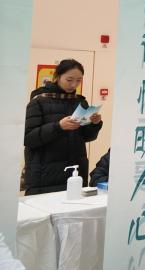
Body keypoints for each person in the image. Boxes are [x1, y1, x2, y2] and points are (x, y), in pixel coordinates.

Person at [24, 59, 103, 195]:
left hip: (75, 171)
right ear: (57, 76)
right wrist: (58, 126)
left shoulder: (80, 102)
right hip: (44, 174)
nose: (74, 84)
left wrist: (94, 124)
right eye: (69, 80)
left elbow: (86, 137)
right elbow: (28, 138)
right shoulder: (39, 101)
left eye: (78, 80)